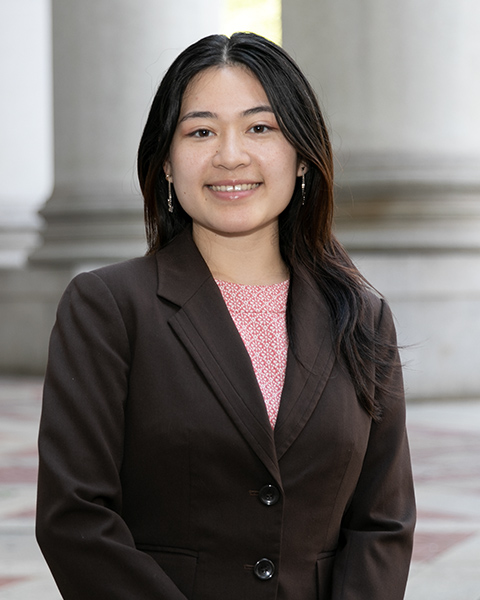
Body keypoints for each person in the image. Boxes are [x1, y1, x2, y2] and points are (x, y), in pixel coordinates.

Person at [36, 32, 416, 600]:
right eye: (201, 131)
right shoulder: (106, 308)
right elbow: (74, 517)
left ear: (302, 158)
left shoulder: (361, 316)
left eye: (260, 128)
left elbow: (382, 524)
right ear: (165, 163)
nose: (230, 155)